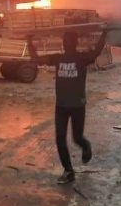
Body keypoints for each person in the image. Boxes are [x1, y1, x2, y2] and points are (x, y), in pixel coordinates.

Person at [26, 30, 108, 184]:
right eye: (65, 41)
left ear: (75, 43)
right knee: (60, 139)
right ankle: (68, 171)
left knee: (77, 138)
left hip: (77, 104)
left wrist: (103, 34)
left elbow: (96, 52)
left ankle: (86, 146)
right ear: (63, 43)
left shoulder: (82, 58)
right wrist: (29, 41)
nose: (67, 44)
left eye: (69, 41)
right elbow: (36, 59)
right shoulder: (58, 58)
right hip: (61, 106)